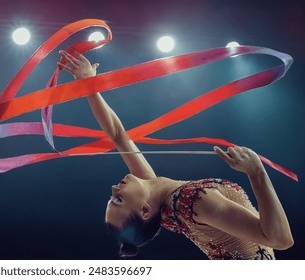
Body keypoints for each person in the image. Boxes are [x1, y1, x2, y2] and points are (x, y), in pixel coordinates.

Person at [57, 49, 294, 260]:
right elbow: (280, 240)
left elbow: (118, 135)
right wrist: (257, 173)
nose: (113, 189)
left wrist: (88, 84)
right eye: (118, 199)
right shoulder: (194, 203)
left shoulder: (159, 197)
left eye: (112, 197)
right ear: (145, 211)